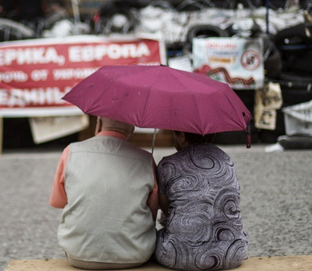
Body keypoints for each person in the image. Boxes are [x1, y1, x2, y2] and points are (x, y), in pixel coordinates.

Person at [49, 116, 158, 269]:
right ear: (132, 129)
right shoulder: (145, 159)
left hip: (78, 254)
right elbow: (152, 212)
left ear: (98, 124)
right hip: (136, 255)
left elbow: (59, 201)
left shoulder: (71, 152)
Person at [155, 131, 249, 271]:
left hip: (179, 255)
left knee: (153, 238)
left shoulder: (168, 164)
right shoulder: (226, 160)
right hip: (233, 253)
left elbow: (165, 208)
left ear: (182, 135)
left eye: (175, 134)